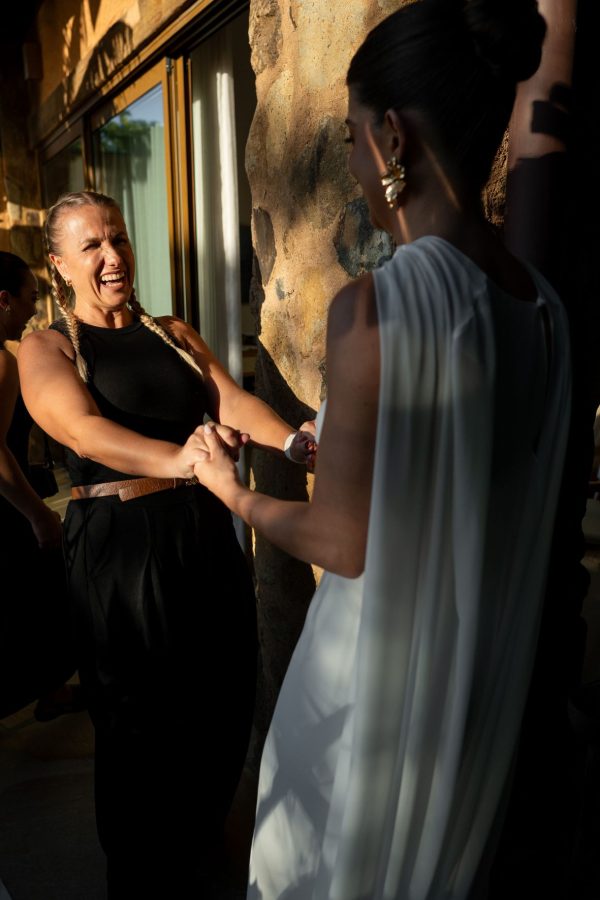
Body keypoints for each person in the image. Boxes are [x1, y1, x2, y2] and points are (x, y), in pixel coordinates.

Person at [192, 1, 572, 897]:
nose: (357, 162)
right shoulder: (543, 308)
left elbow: (341, 543)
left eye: (355, 137)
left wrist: (229, 489)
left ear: (393, 139)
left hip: (373, 688)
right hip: (474, 696)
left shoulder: (371, 311)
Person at [17, 190, 315, 897]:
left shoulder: (172, 333)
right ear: (59, 265)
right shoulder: (48, 347)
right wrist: (181, 458)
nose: (112, 256)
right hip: (121, 551)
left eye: (116, 238)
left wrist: (297, 440)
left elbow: (229, 401)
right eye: (90, 246)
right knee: (140, 730)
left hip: (203, 535)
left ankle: (199, 853)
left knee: (222, 697)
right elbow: (83, 431)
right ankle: (143, 877)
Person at [0, 251, 79, 721]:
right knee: (37, 599)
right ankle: (46, 690)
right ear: (4, 300)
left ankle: (51, 692)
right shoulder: (3, 364)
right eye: (31, 298)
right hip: (7, 511)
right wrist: (38, 515)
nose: (34, 310)